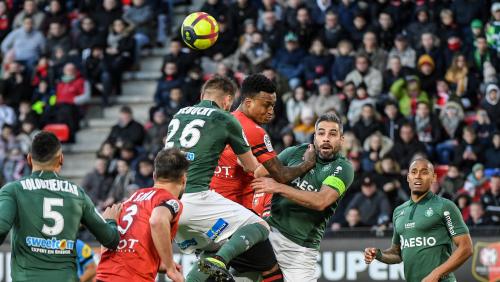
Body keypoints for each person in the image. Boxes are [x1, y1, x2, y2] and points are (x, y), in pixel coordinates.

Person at [165, 76, 286, 281]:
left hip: (168, 205)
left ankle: (216, 261)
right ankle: (221, 260)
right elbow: (251, 167)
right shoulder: (225, 118)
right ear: (229, 101)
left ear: (202, 96)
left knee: (221, 256)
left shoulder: (178, 115)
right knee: (259, 228)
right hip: (197, 200)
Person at [0, 131, 121, 281]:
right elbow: (111, 239)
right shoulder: (77, 193)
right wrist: (111, 221)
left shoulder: (13, 190)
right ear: (61, 159)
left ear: (29, 159)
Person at [251, 113, 354, 282]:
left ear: (341, 140)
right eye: (321, 133)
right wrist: (302, 166)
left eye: (332, 134)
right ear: (314, 136)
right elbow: (260, 173)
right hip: (270, 233)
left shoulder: (343, 168)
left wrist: (279, 186)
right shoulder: (295, 152)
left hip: (300, 250)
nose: (326, 138)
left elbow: (321, 201)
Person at [211, 74, 315, 210]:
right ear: (248, 103)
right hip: (234, 209)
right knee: (264, 229)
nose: (271, 111)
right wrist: (308, 163)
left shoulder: (222, 119)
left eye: (272, 106)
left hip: (211, 201)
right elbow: (282, 175)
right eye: (266, 105)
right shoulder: (253, 130)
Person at [364, 158, 473, 282]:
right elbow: (397, 253)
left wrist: (436, 274)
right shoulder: (399, 211)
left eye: (424, 172)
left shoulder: (445, 206)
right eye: (414, 172)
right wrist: (378, 254)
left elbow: (466, 248)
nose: (418, 176)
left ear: (434, 177)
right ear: (408, 177)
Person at [96, 148, 188, 282]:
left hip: (104, 275)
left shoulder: (133, 197)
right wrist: (170, 269)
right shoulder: (170, 201)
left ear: (154, 176)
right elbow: (157, 221)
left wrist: (158, 262)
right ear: (183, 179)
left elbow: (109, 237)